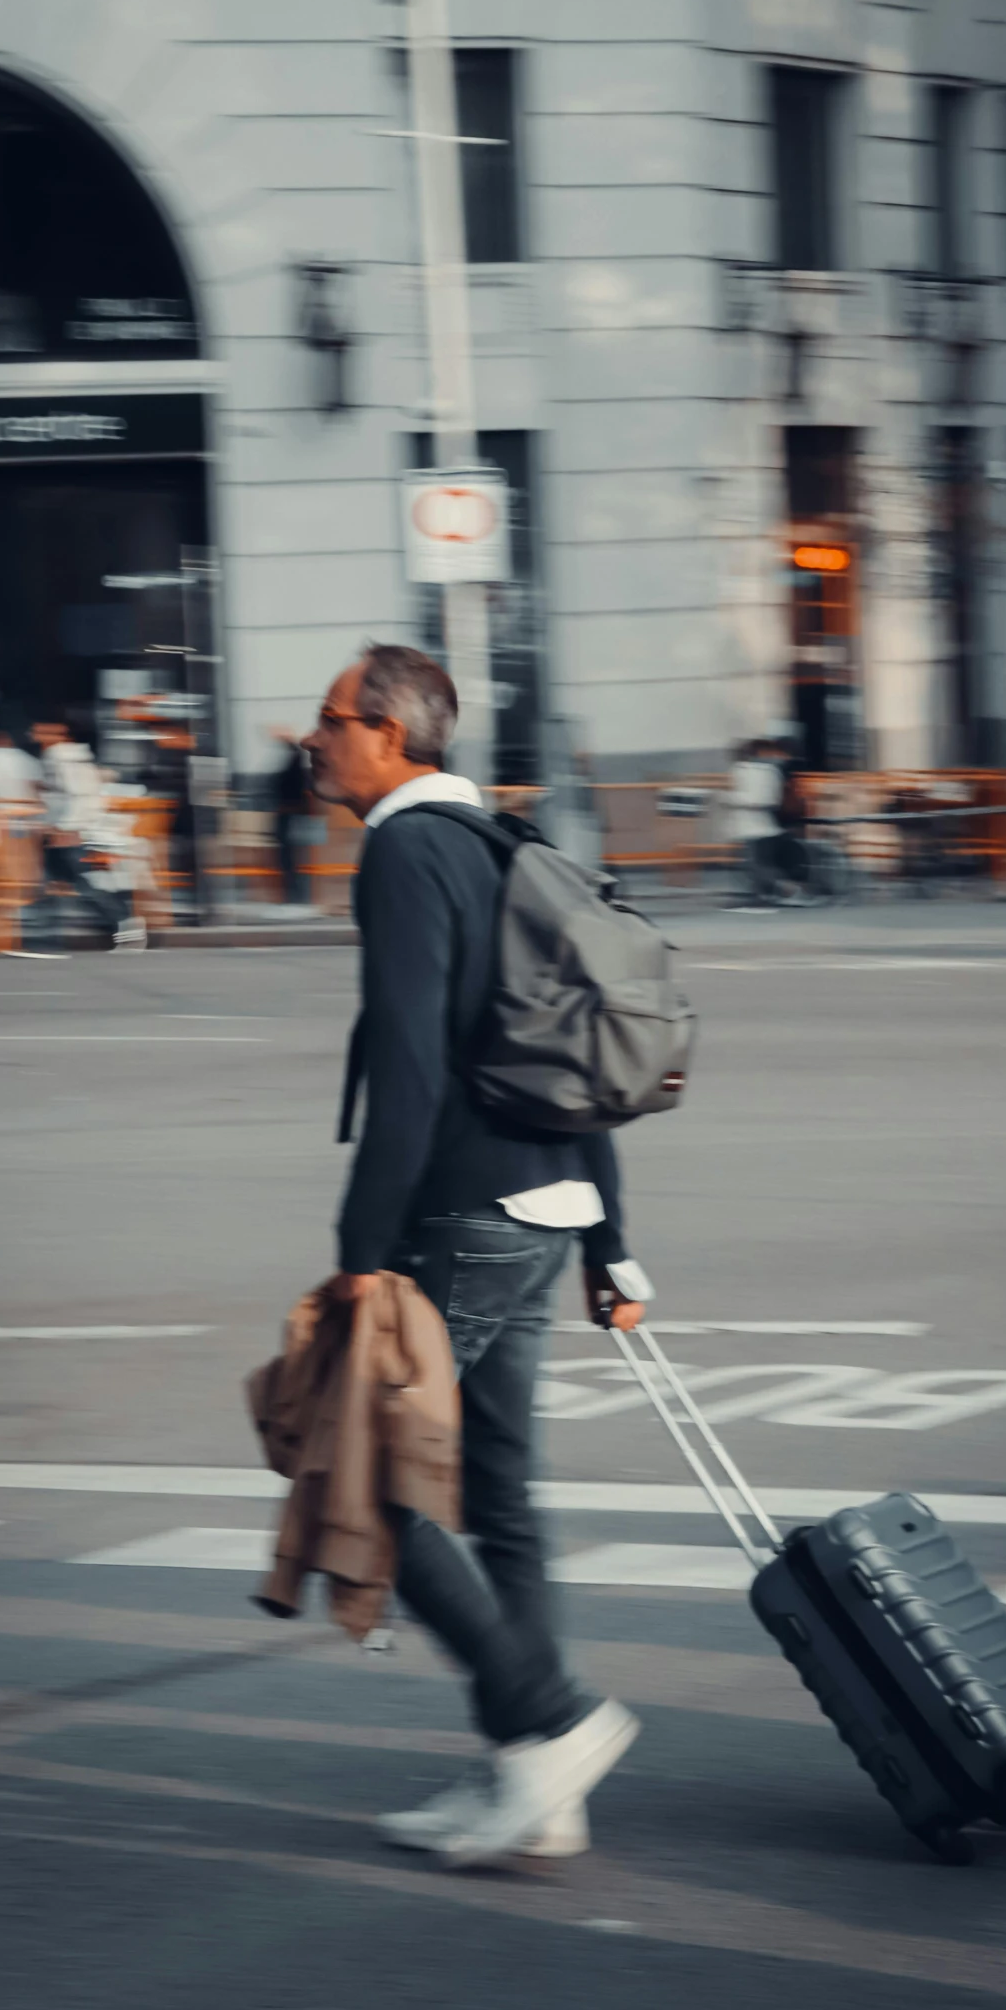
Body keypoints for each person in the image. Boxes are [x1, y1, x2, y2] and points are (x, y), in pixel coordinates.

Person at [303, 643, 642, 1866]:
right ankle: (535, 1790)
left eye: (329, 722)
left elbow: (412, 1069)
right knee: (497, 1492)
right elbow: (563, 1062)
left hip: (465, 1212)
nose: (313, 743)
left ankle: (549, 1722)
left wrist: (360, 1252)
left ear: (392, 735)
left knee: (374, 1490)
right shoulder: (503, 843)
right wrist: (610, 1242)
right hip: (546, 1206)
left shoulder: (403, 850)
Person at [30, 722, 147, 952]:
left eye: (43, 730)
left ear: (61, 732)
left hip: (70, 831)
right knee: (59, 882)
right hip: (63, 829)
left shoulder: (62, 757)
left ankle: (125, 923)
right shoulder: (61, 756)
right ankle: (43, 938)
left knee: (82, 883)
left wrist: (67, 828)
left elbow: (79, 795)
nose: (35, 735)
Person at [726, 738, 786, 906]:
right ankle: (764, 893)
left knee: (758, 863)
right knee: (755, 862)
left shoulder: (762, 771)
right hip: (753, 825)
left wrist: (730, 798)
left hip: (757, 825)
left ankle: (772, 892)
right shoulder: (760, 770)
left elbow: (762, 798)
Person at [266, 726, 312, 907]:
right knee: (290, 858)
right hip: (288, 814)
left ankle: (295, 896)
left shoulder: (294, 761)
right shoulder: (295, 761)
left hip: (288, 814)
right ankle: (294, 895)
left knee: (289, 859)